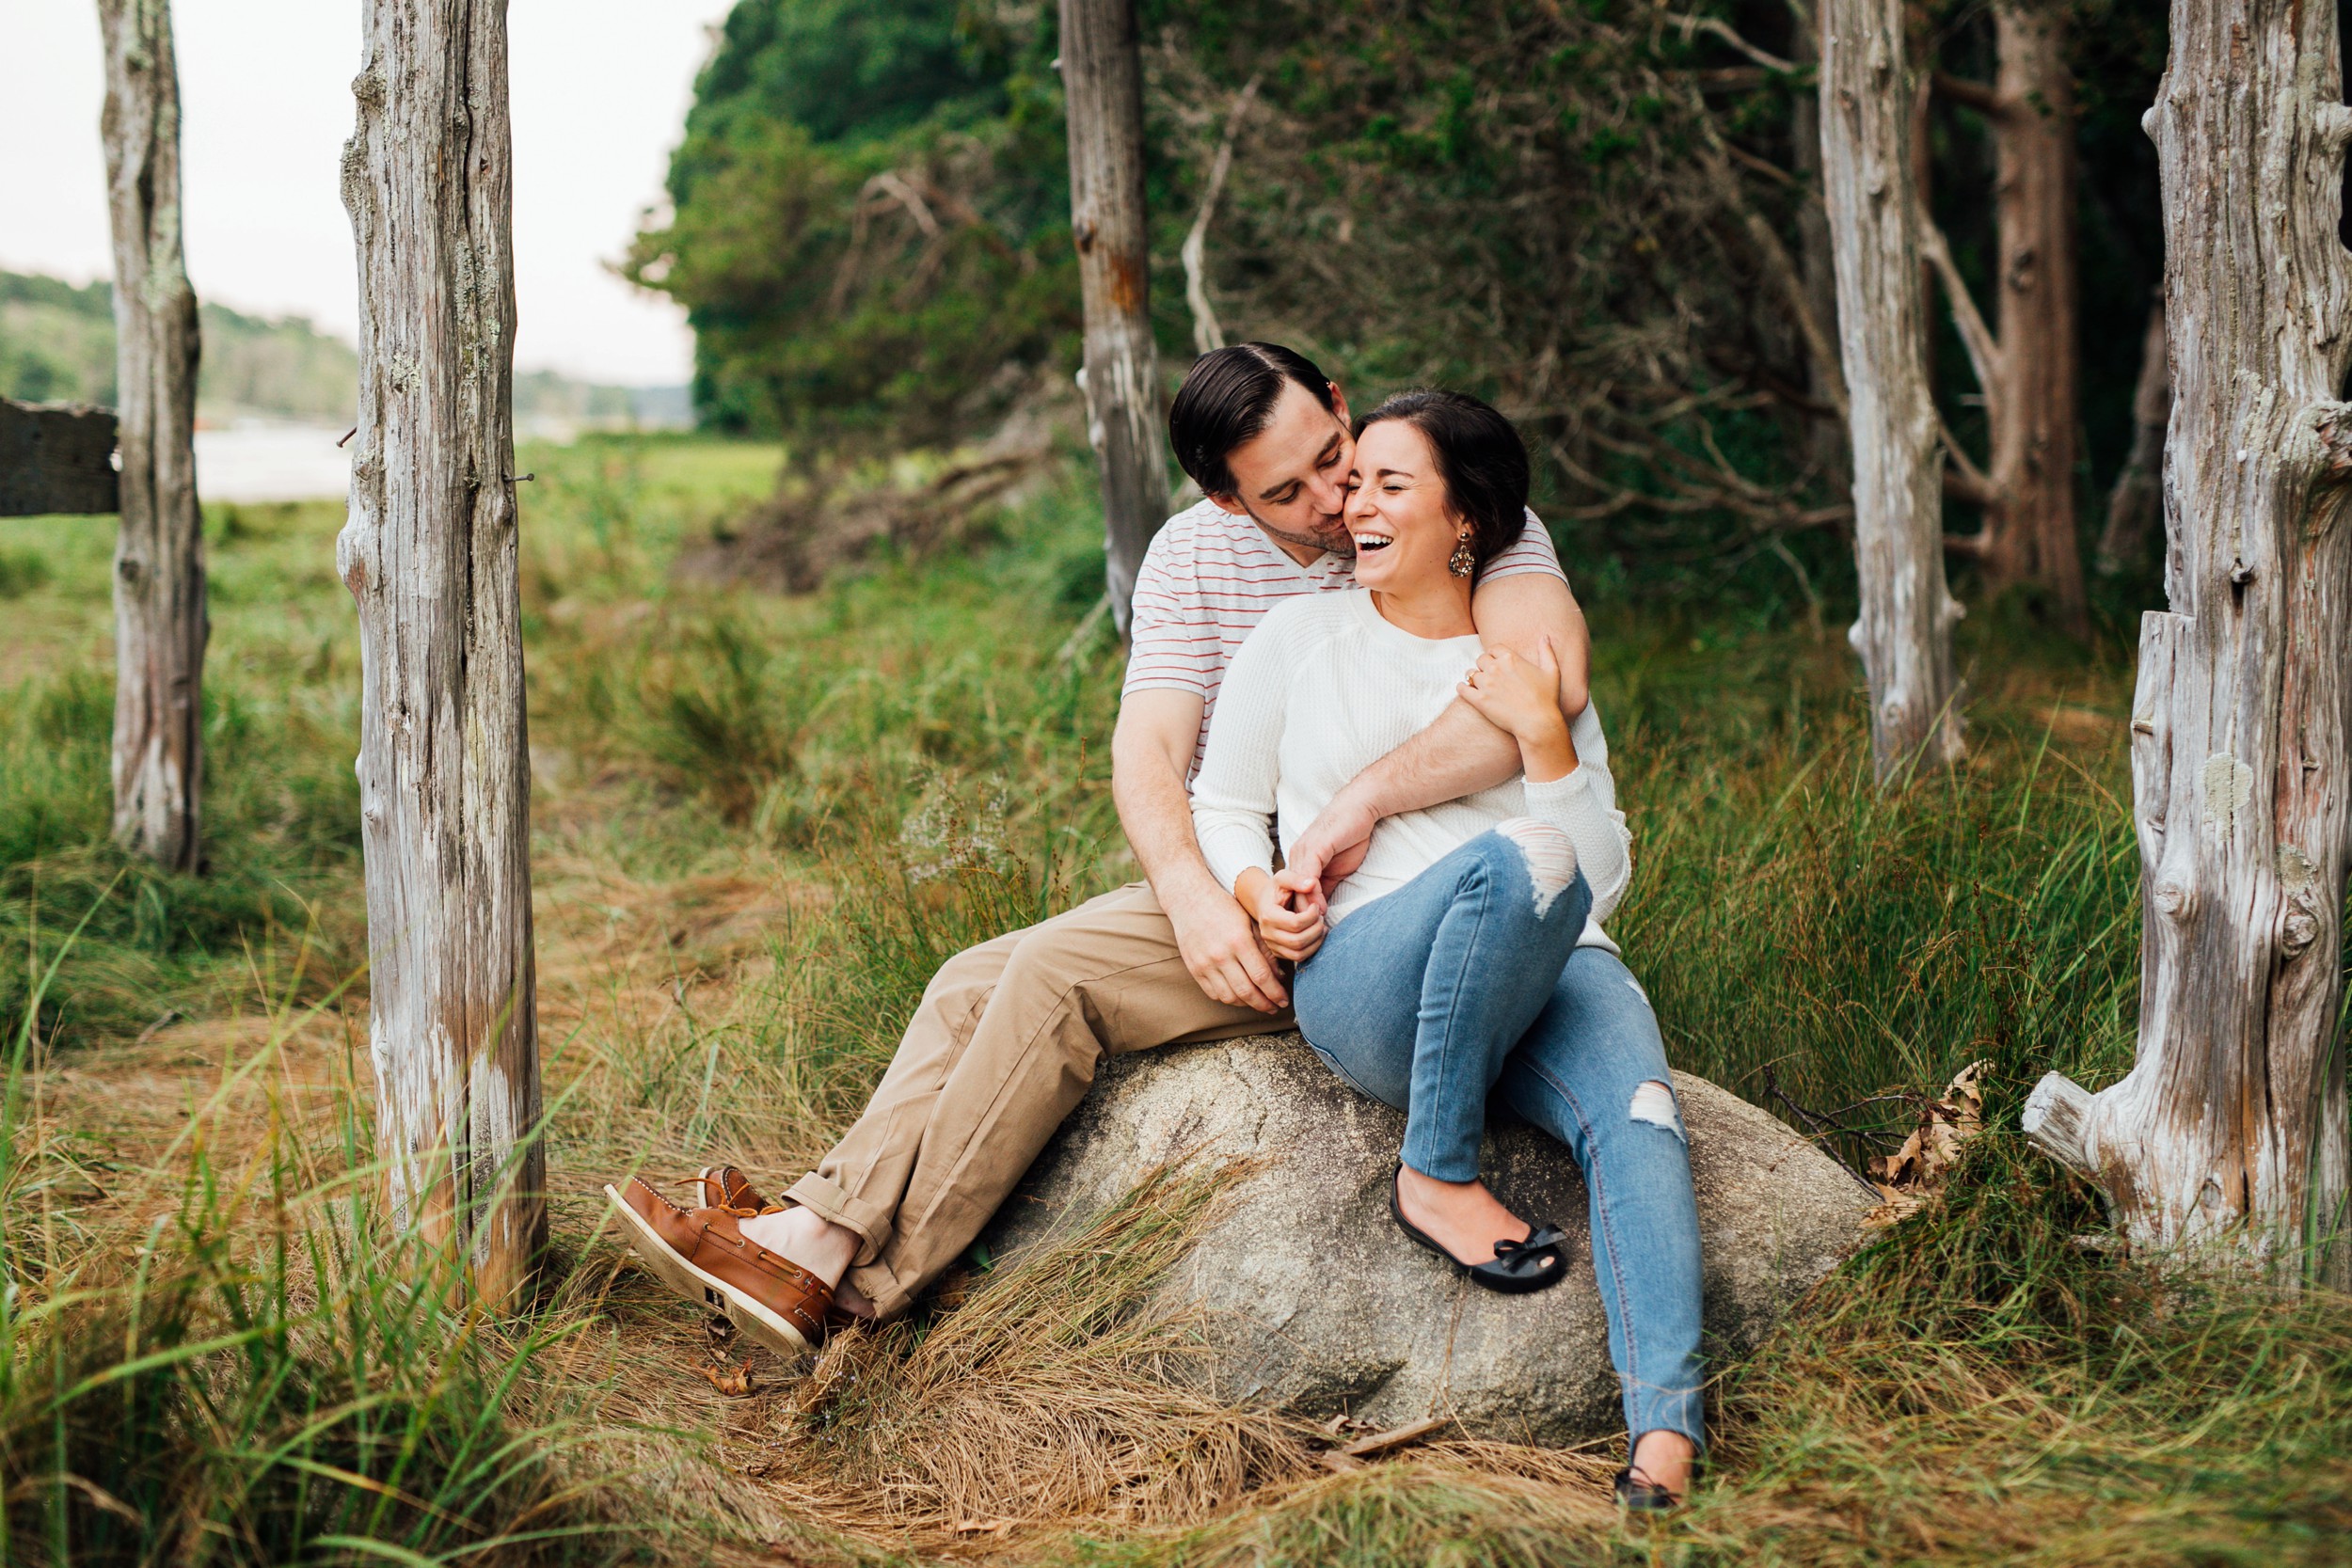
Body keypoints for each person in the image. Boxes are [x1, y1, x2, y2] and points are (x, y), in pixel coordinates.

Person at [603, 347, 1601, 1420]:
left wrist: (1351, 807)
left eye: (1333, 458)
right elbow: (1148, 750)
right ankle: (816, 1228)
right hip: (1248, 864)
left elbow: (1539, 697)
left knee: (1050, 978)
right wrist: (1198, 897)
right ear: (1224, 497)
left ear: (1344, 408)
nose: (1329, 504)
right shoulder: (1194, 557)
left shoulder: (1453, 504)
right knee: (964, 978)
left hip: (1385, 895)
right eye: (1284, 491)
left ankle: (856, 1289)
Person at [1188, 388, 1704, 1509]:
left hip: (1545, 964)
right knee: (1510, 857)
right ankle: (1436, 1169)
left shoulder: (1521, 660)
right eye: (1350, 479)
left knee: (1645, 1116)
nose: (1349, 506)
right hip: (1373, 972)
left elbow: (1597, 872)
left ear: (1464, 517)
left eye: (1386, 484)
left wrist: (1546, 734)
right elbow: (1222, 802)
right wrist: (1252, 891)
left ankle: (1663, 1435)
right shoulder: (1301, 638)